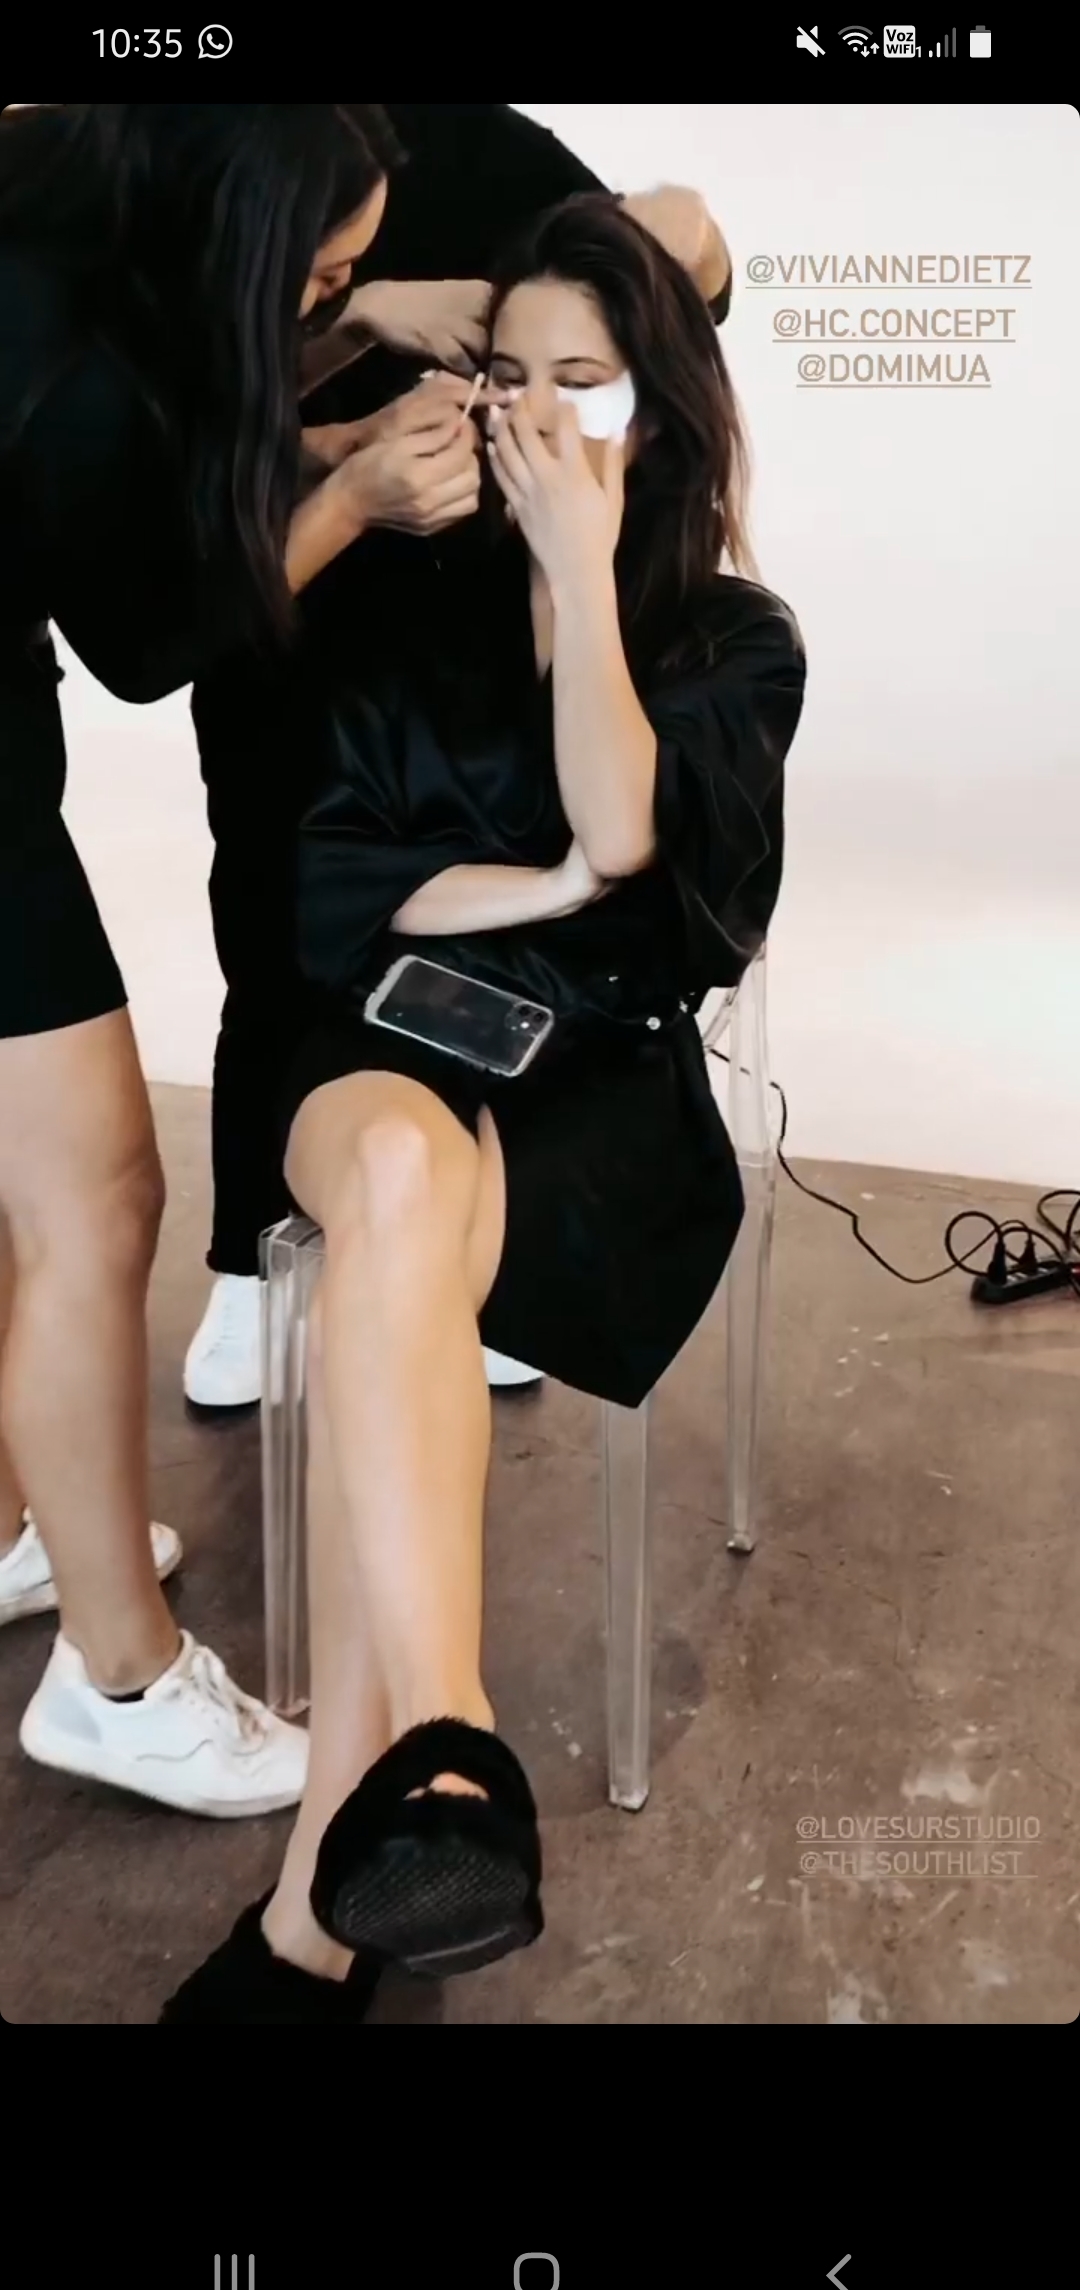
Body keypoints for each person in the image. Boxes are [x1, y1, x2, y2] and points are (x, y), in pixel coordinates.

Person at [161, 193, 806, 2023]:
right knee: (385, 1166)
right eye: (508, 373)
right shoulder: (394, 602)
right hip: (377, 1044)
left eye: (580, 379)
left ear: (658, 411)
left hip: (595, 1094)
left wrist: (582, 586)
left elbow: (644, 857)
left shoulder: (731, 634)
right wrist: (555, 885)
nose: (530, 413)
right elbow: (336, 894)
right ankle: (450, 1733)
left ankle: (330, 1879)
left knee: (399, 1261)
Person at [0, 102, 445, 1821]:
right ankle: (119, 1683)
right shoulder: (64, 353)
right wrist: (357, 492)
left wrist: (346, 373)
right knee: (95, 1196)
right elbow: (145, 637)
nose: (333, 300)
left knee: (28, 1192)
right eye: (321, 277)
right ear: (235, 231)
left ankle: (17, 1532)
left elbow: (139, 451)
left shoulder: (62, 184)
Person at [183, 102, 735, 1410]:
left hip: (471, 572)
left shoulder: (484, 147)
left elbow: (673, 285)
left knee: (496, 871)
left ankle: (504, 1207)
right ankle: (251, 1251)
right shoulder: (215, 160)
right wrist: (357, 328)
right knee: (280, 903)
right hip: (281, 578)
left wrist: (679, 236)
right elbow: (189, 424)